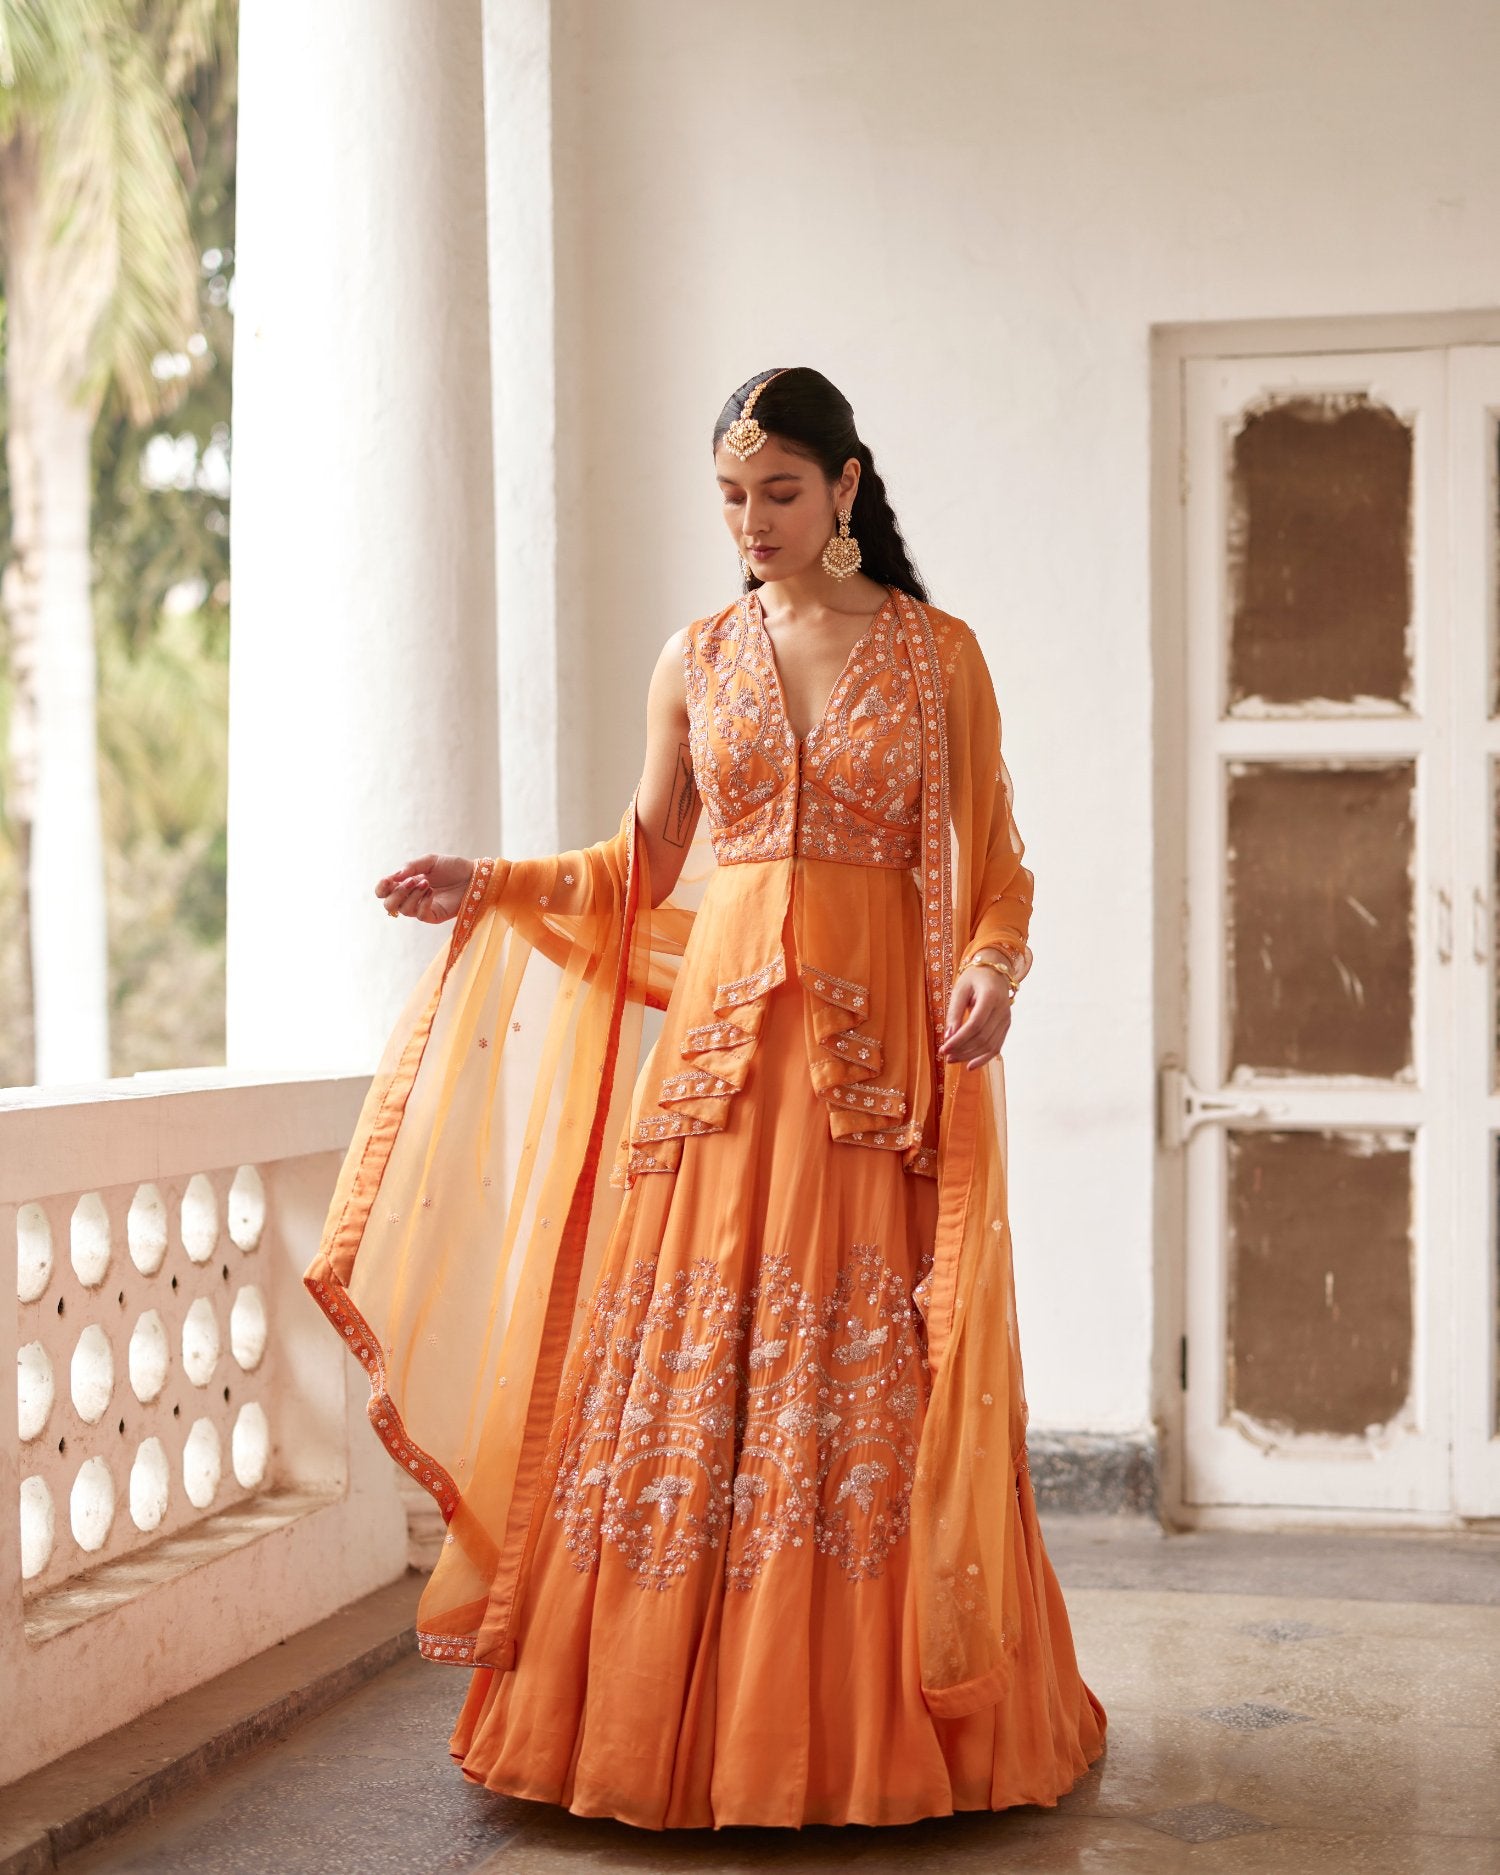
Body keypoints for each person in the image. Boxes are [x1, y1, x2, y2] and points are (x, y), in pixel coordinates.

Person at [304, 366, 1107, 1830]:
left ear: (849, 487)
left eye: (782, 492)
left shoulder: (941, 661)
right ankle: (655, 1730)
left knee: (858, 1364)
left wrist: (993, 966)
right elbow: (641, 867)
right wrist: (489, 881)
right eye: (732, 498)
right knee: (680, 1367)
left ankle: (858, 1735)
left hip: (870, 1080)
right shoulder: (694, 658)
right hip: (718, 1079)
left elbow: (994, 858)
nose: (753, 521)